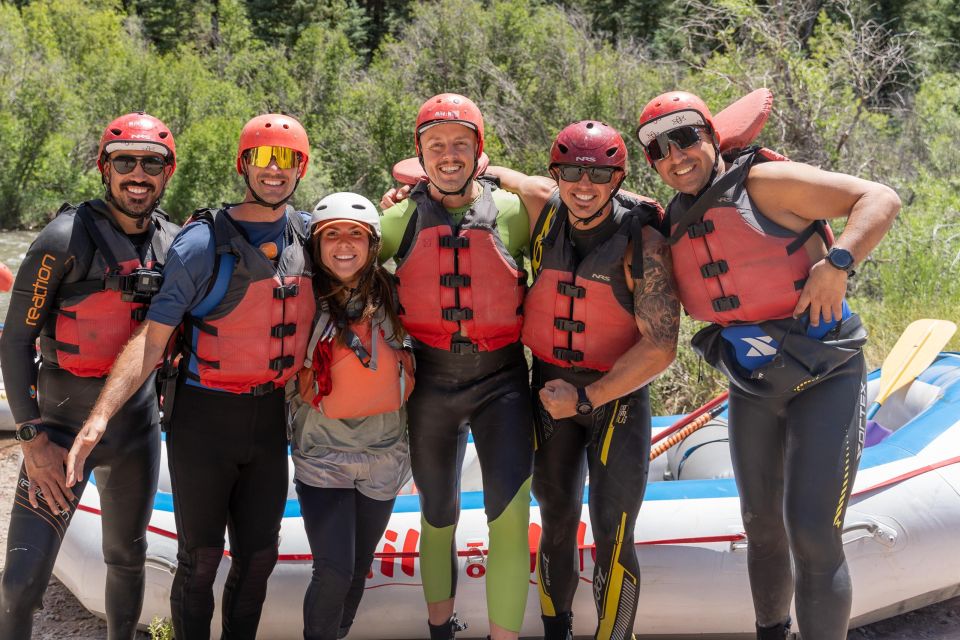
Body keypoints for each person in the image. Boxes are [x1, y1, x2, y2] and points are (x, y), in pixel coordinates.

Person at [635, 91, 901, 640]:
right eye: (659, 149)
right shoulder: (674, 221)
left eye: (686, 138)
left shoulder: (763, 183)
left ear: (711, 137)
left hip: (827, 374)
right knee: (760, 527)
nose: (676, 155)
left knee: (812, 532)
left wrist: (838, 263)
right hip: (754, 384)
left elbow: (879, 198)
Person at [65, 113, 317, 639]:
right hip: (204, 420)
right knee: (199, 561)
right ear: (243, 165)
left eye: (287, 158)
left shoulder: (308, 236)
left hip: (270, 418)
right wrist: (98, 418)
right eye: (263, 157)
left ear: (302, 167)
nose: (275, 170)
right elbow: (152, 341)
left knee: (258, 560)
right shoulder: (201, 243)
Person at [486, 120, 679, 640]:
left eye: (599, 174)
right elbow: (502, 175)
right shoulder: (546, 207)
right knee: (555, 519)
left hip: (614, 401)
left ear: (618, 178)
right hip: (549, 393)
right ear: (556, 173)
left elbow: (661, 346)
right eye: (571, 171)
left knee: (615, 534)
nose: (584, 185)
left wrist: (587, 398)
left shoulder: (644, 241)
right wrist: (428, 180)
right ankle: (557, 631)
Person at [0, 112, 180, 639]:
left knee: (126, 559)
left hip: (134, 433)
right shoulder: (61, 240)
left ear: (168, 173)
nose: (139, 174)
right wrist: (33, 441)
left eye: (153, 163)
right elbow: (14, 341)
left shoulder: (175, 242)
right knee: (19, 584)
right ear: (105, 167)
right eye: (126, 161)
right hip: (55, 432)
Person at [379, 93, 533, 640]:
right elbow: (340, 265)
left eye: (460, 144)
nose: (449, 155)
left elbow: (588, 216)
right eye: (435, 145)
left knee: (509, 519)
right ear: (419, 153)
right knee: (438, 516)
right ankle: (441, 630)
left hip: (504, 383)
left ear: (479, 152)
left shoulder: (515, 213)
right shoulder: (396, 220)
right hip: (431, 385)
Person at [289, 192, 414, 640]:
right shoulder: (300, 298)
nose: (344, 244)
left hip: (385, 454)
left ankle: (337, 633)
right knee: (335, 570)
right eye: (332, 235)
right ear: (317, 246)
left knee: (359, 566)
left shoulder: (395, 296)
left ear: (373, 243)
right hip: (322, 455)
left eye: (355, 235)